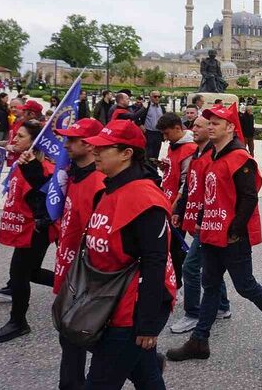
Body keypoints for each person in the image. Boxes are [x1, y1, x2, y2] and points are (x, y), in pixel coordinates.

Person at [166, 105, 262, 361]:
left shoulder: (239, 158)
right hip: (212, 232)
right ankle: (199, 341)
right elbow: (209, 196)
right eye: (209, 122)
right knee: (210, 284)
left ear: (230, 127)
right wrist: (202, 219)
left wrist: (235, 230)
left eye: (216, 122)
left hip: (232, 236)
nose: (210, 126)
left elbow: (248, 197)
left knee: (245, 285)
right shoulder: (212, 157)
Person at [80, 119, 176, 387]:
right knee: (146, 375)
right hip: (107, 302)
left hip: (130, 312)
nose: (95, 152)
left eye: (104, 148)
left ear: (126, 154)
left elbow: (155, 262)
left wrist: (146, 324)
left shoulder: (145, 198)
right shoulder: (109, 189)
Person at [50, 118, 106, 390]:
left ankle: (70, 384)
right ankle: (145, 364)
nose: (66, 145)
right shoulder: (73, 173)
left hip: (85, 272)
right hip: (68, 262)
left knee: (73, 333)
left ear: (88, 144)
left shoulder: (98, 183)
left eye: (72, 140)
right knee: (72, 332)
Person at [0, 120, 55, 344]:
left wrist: (38, 221)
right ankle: (72, 286)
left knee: (19, 273)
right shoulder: (22, 162)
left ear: (35, 142)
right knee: (31, 272)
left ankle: (18, 322)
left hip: (35, 228)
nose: (14, 139)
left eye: (21, 136)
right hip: (25, 226)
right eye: (15, 135)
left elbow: (45, 200)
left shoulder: (43, 167)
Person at [169, 116, 232, 334]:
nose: (192, 129)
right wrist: (180, 210)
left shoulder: (213, 156)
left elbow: (212, 193)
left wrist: (199, 219)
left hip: (207, 222)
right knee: (209, 266)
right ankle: (222, 306)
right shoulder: (197, 152)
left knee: (191, 266)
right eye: (193, 125)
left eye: (198, 126)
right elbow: (190, 185)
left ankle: (194, 313)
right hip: (198, 219)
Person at [156, 112, 198, 289]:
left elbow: (186, 182)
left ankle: (179, 282)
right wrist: (165, 166)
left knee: (176, 245)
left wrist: (176, 207)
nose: (165, 139)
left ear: (177, 128)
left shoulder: (189, 149)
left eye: (167, 134)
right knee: (171, 245)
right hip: (167, 198)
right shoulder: (174, 145)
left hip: (179, 204)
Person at [137, 91, 164, 160]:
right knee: (148, 154)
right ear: (150, 97)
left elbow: (165, 119)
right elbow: (136, 116)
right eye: (155, 96)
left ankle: (154, 169)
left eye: (159, 96)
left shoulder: (161, 107)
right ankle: (148, 169)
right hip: (148, 133)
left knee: (156, 154)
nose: (157, 98)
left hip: (158, 134)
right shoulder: (145, 106)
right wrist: (140, 125)